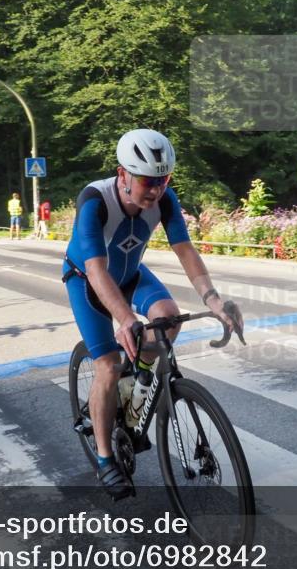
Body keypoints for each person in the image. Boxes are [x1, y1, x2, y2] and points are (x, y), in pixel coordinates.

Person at [62, 128, 243, 499]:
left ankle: (137, 387)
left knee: (169, 317)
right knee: (108, 367)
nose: (156, 190)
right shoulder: (95, 199)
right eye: (147, 181)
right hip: (87, 281)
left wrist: (214, 300)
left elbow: (186, 250)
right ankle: (105, 457)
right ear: (123, 173)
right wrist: (125, 318)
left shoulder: (165, 200)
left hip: (131, 275)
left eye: (164, 180)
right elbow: (97, 270)